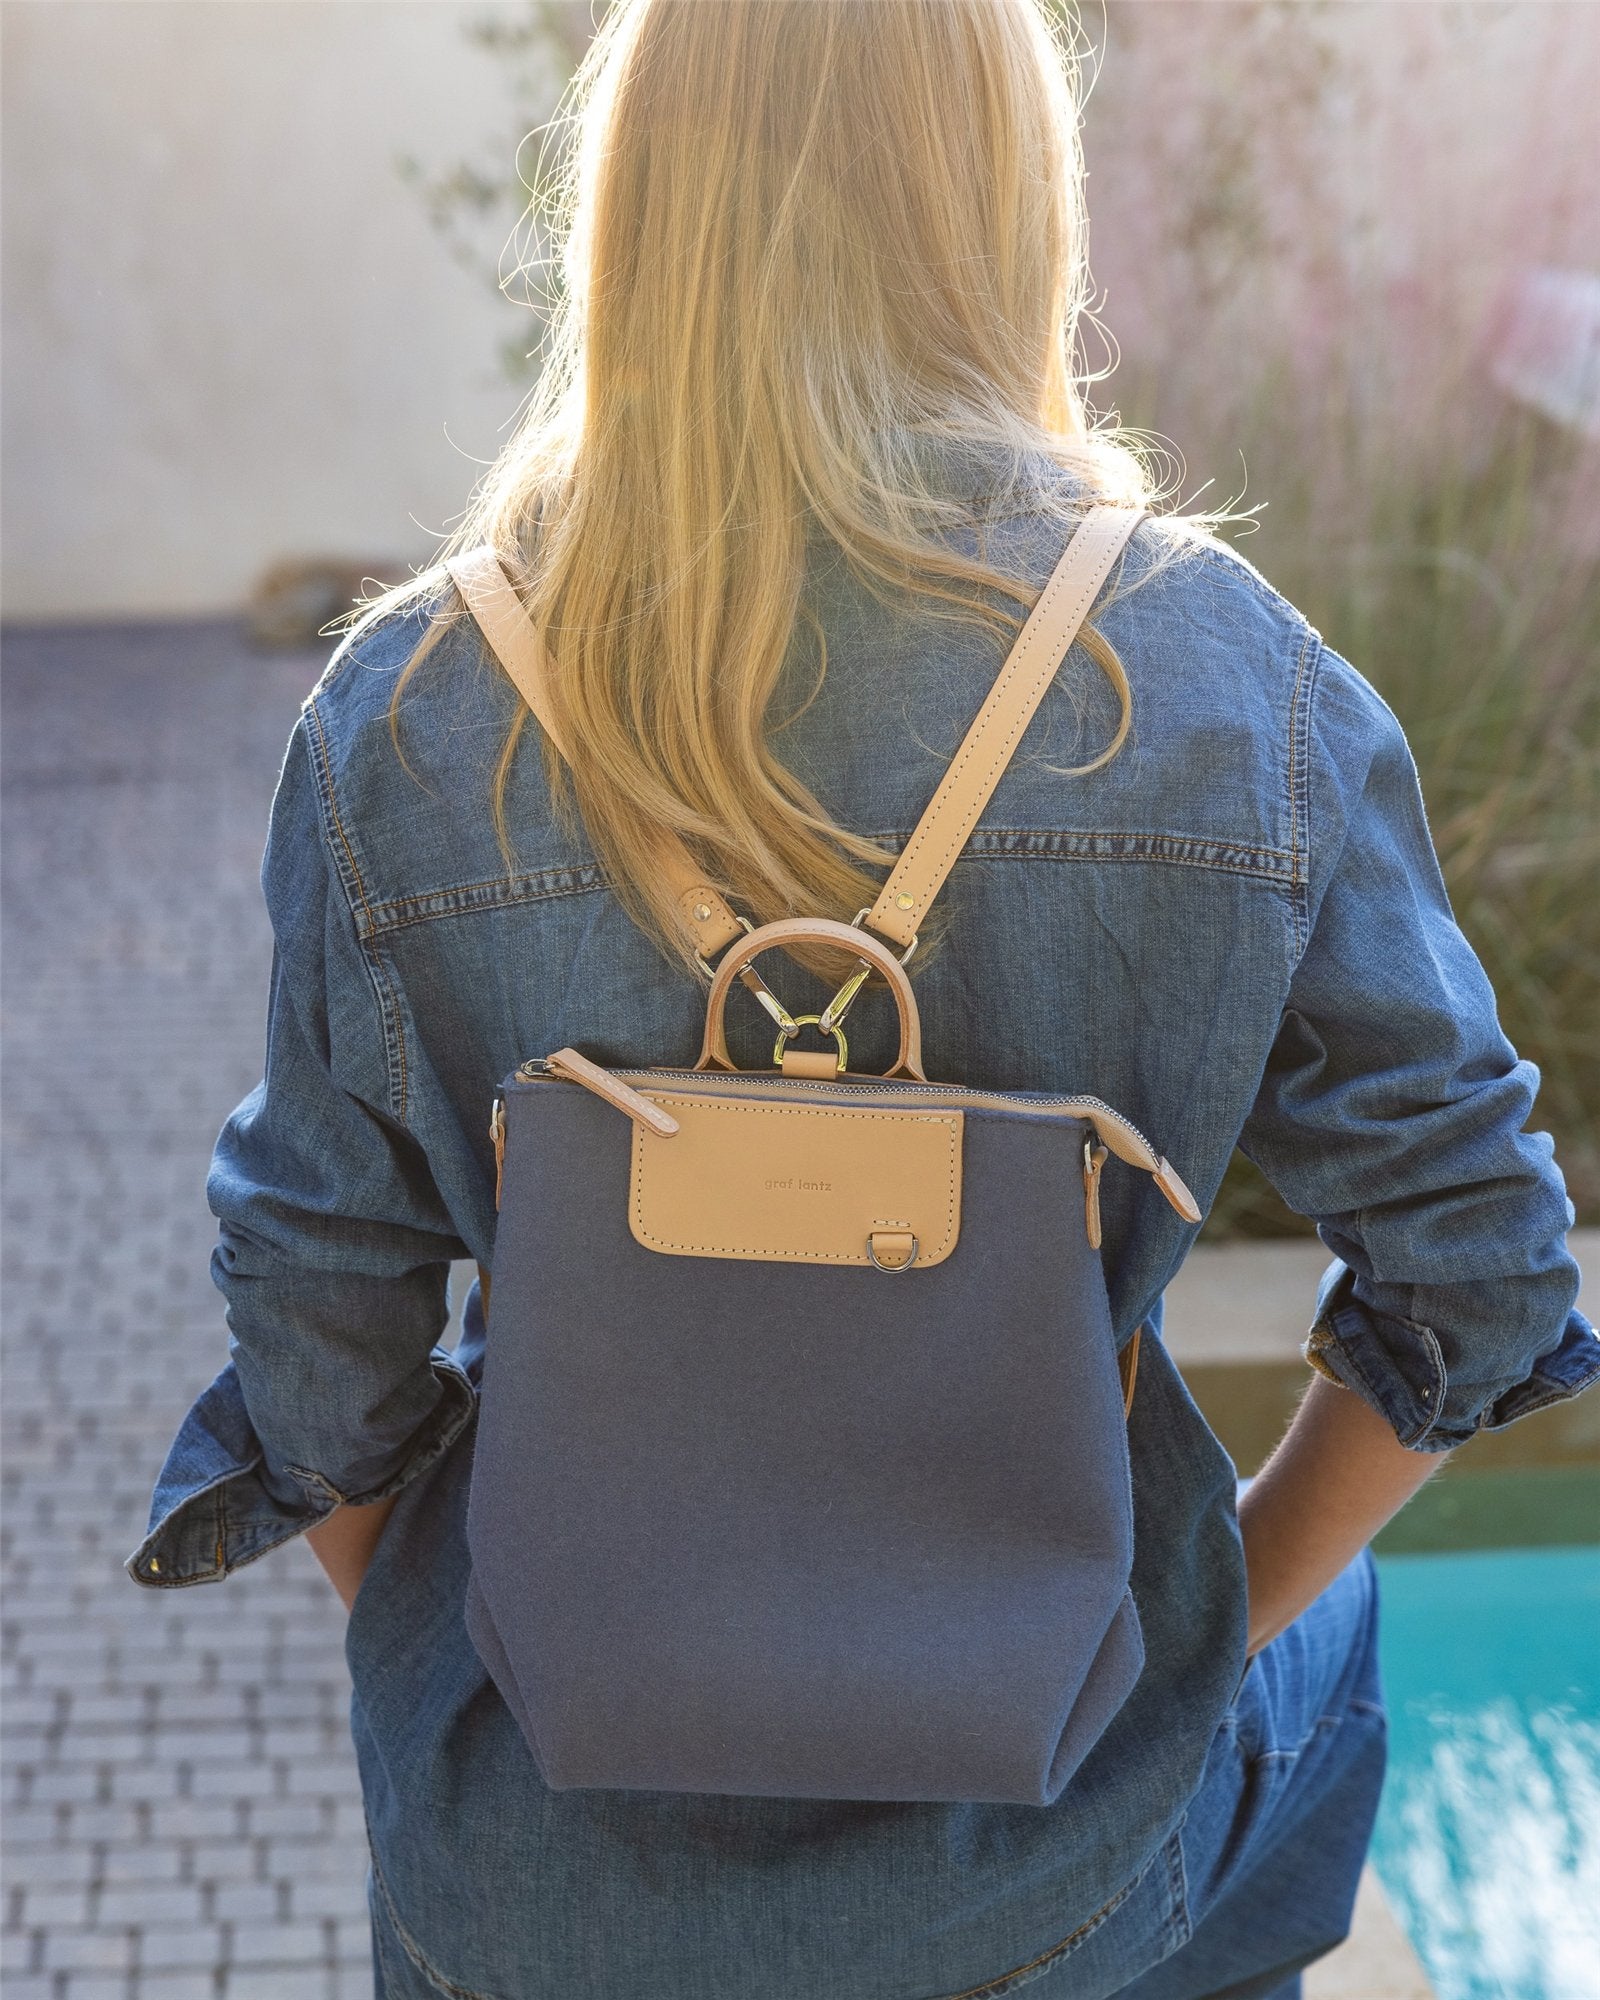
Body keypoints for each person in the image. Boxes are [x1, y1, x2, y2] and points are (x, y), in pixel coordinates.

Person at [125, 3, 1598, 1996]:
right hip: (1046, 1867)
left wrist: (474, 1666)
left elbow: (313, 1320)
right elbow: (1483, 1266)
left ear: (639, 203)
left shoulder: (408, 711)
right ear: (1004, 196)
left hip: (527, 1887)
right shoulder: (1216, 678)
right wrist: (1203, 1617)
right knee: (1328, 1668)